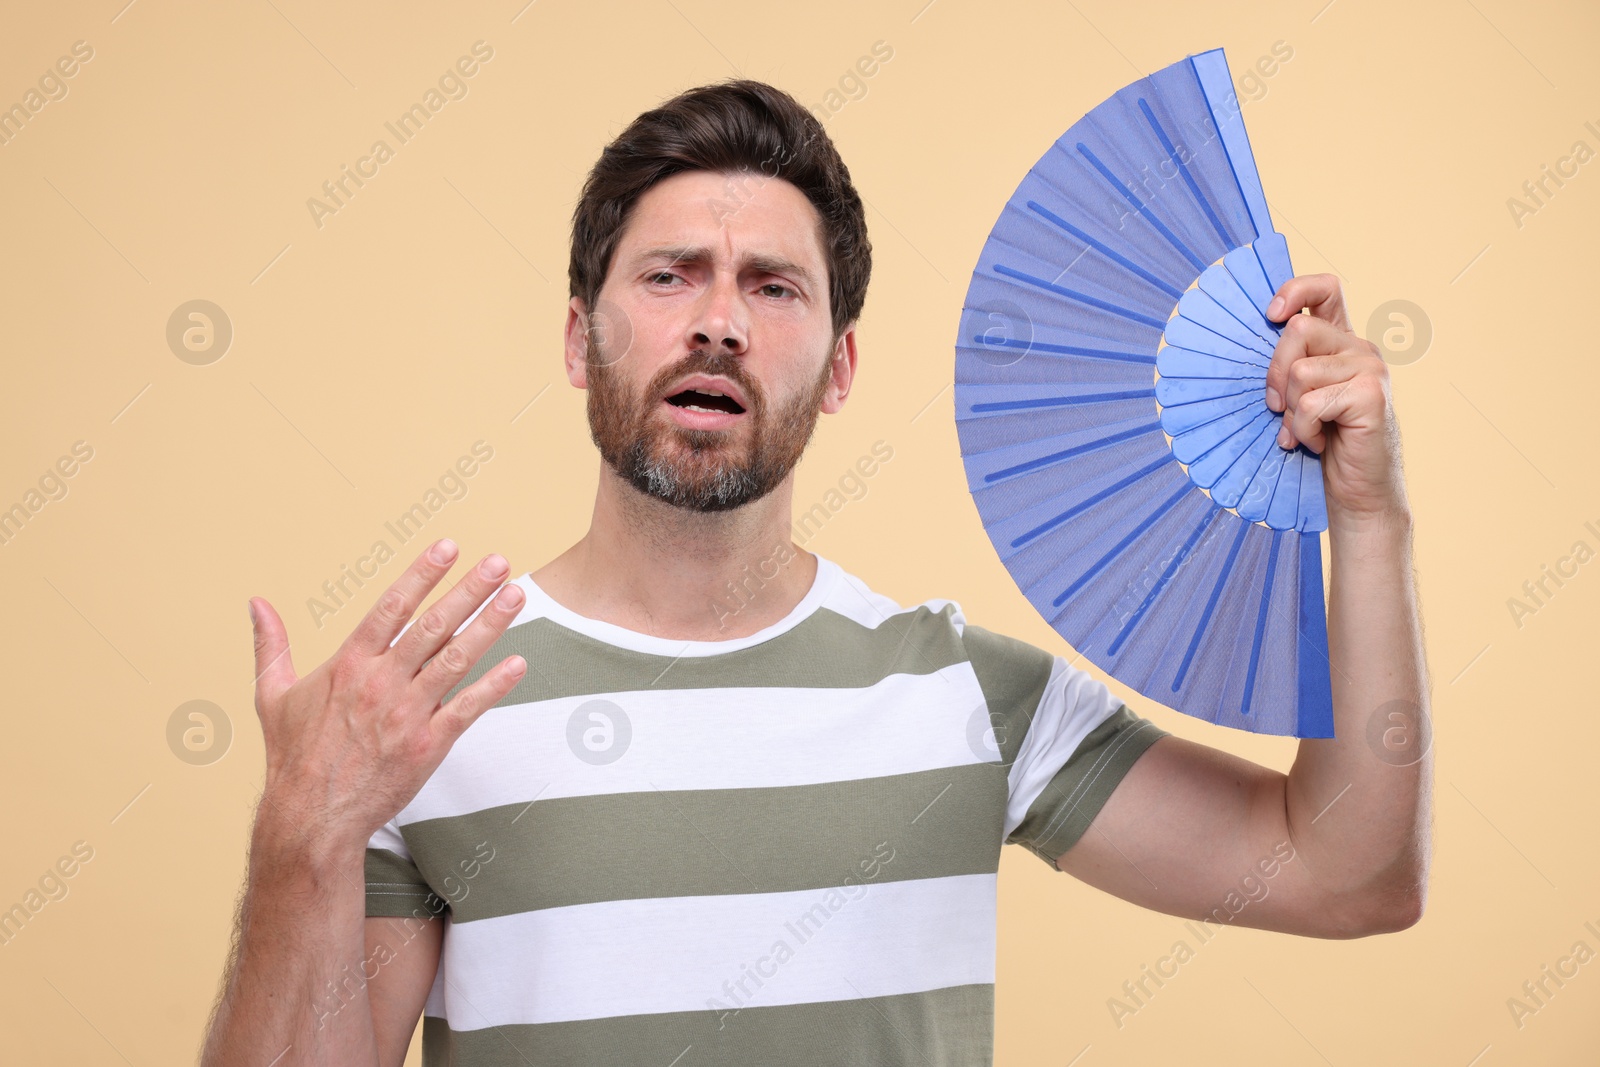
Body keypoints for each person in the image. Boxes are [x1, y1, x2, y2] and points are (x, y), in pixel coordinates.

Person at [200, 78, 1431, 1066]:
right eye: (671, 273)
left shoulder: (965, 691)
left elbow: (1346, 873)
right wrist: (298, 832)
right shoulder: (427, 717)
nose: (720, 320)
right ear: (583, 339)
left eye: (772, 286)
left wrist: (1368, 517)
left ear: (840, 369)